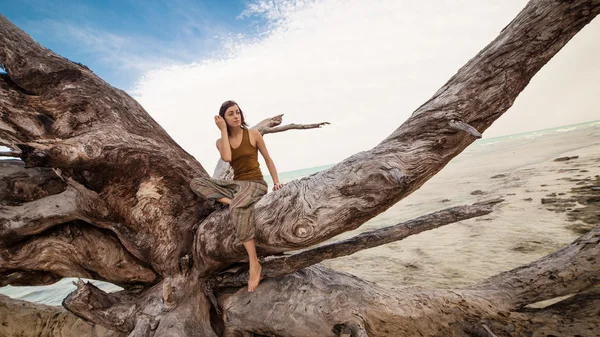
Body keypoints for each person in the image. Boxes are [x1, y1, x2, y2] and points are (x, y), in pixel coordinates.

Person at [190, 100, 284, 292]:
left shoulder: (254, 134)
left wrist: (276, 182)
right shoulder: (221, 141)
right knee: (196, 183)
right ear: (224, 119)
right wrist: (223, 131)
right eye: (231, 114)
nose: (236, 116)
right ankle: (231, 202)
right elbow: (227, 158)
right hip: (236, 185)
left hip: (255, 184)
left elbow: (267, 159)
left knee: (238, 208)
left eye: (238, 112)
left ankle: (254, 263)